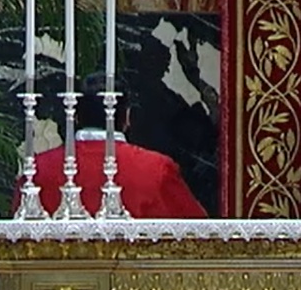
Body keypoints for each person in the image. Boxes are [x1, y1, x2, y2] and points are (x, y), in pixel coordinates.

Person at [23, 73, 207, 219]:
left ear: (75, 116)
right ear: (127, 117)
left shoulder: (37, 170)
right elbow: (198, 236)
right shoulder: (157, 170)